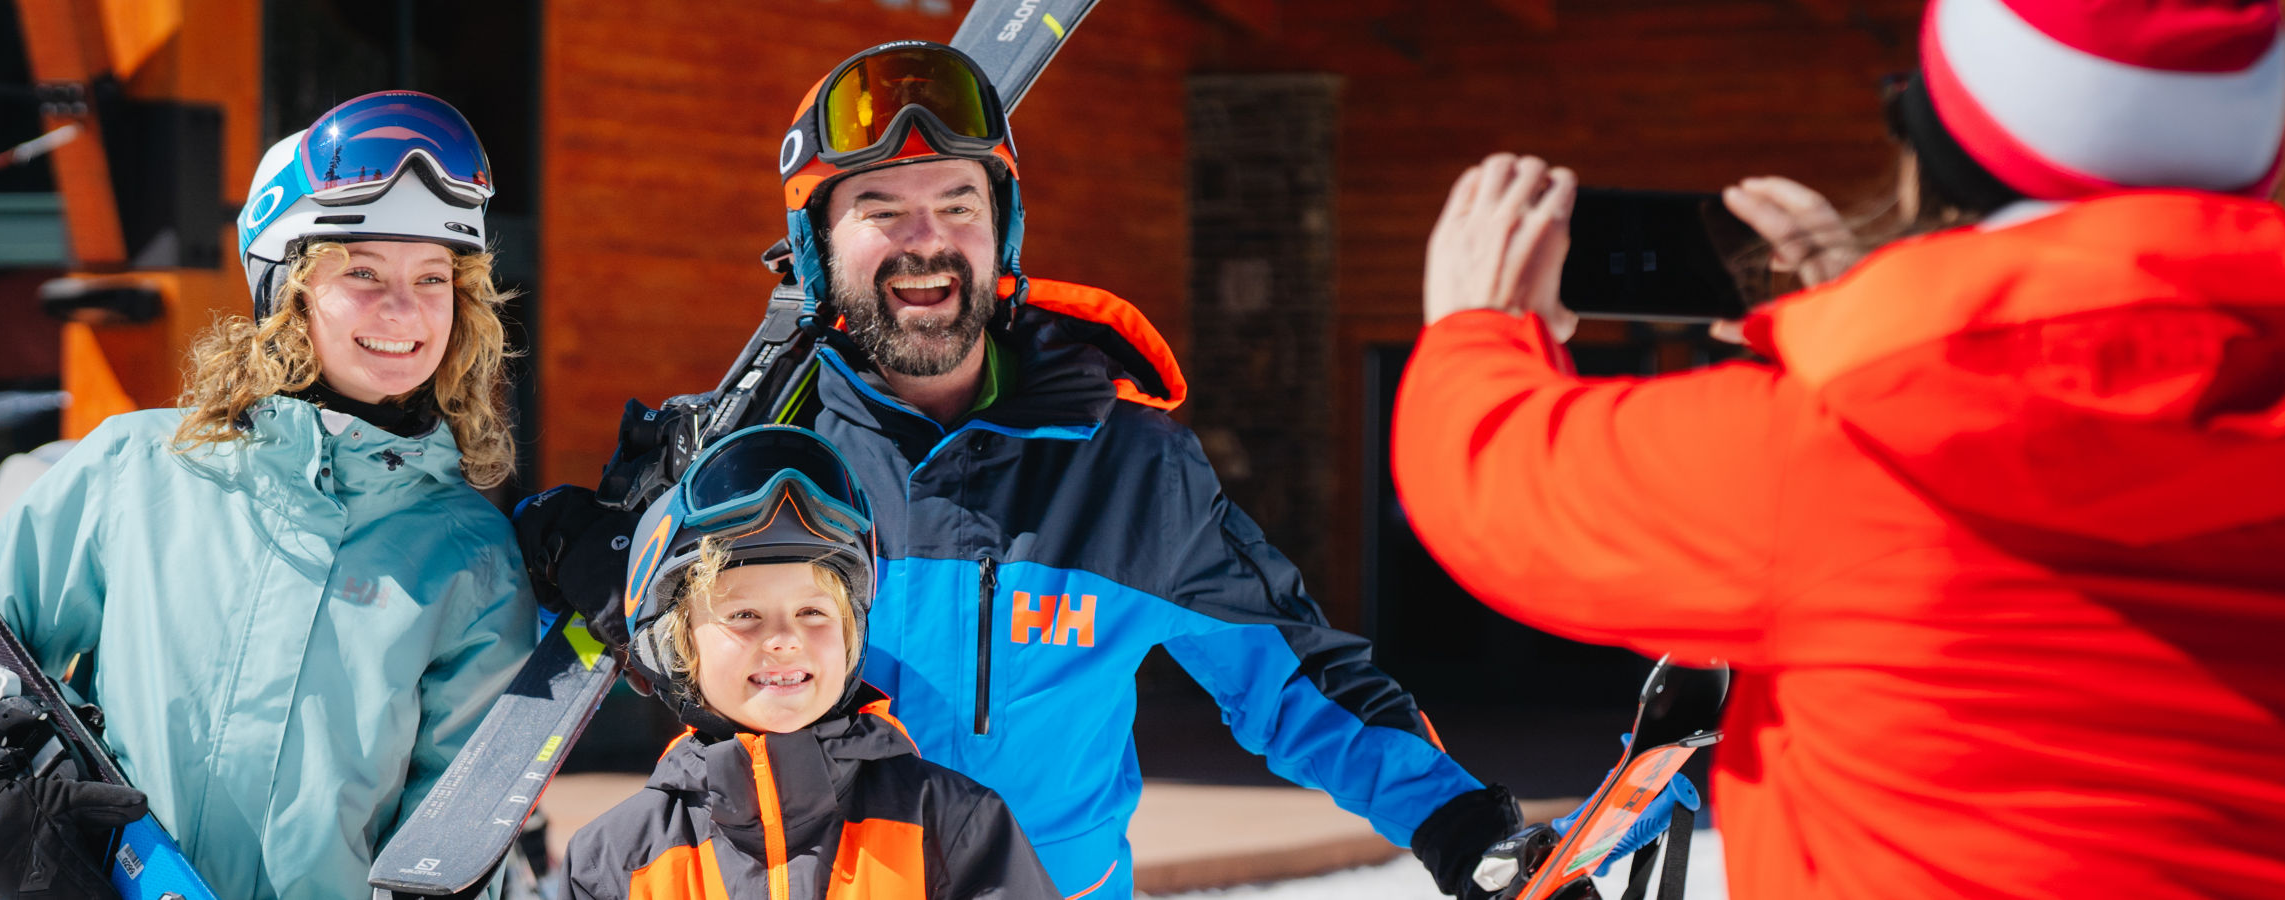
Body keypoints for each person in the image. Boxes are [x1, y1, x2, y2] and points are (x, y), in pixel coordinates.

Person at [517, 41, 1644, 900]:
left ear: (1001, 239)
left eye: (958, 202)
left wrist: (1463, 825)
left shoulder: (1132, 474)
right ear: (817, 253)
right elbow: (662, 665)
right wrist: (595, 559)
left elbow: (1302, 684)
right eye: (878, 210)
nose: (925, 238)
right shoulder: (748, 465)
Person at [1396, 0, 2285, 896]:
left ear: (1947, 153)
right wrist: (1859, 327)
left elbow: (1496, 474)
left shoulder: (1824, 455)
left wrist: (1478, 324)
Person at [0, 90, 537, 900]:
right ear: (288, 290)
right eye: (362, 271)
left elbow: (452, 845)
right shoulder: (139, 470)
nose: (404, 309)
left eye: (432, 277)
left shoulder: (470, 555)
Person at [564, 425, 1059, 900]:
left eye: (812, 612)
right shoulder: (616, 862)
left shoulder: (955, 827)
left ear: (852, 636)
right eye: (744, 615)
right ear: (676, 647)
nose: (783, 639)